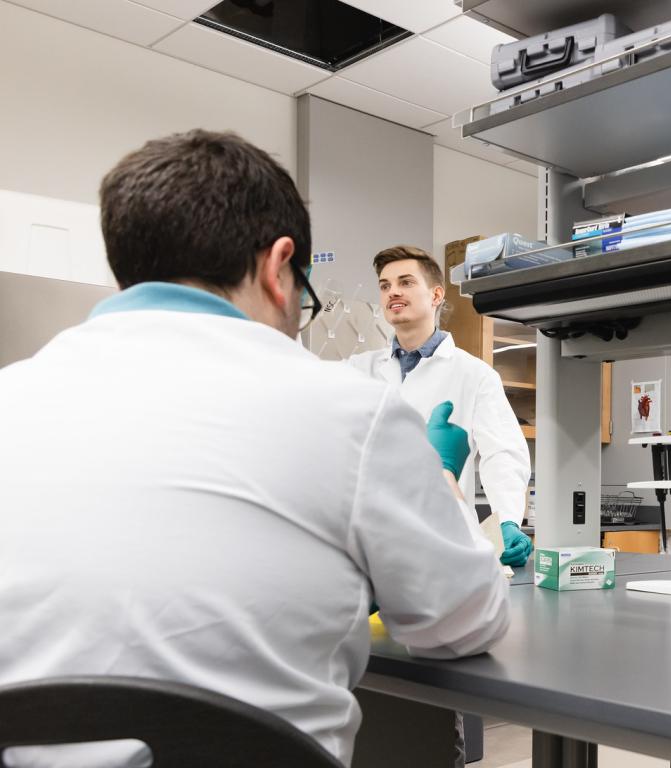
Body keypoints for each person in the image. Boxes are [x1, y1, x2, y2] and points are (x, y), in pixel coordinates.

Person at [0, 130, 509, 767]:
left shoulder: (10, 397)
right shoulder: (349, 408)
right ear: (278, 266)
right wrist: (438, 475)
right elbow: (465, 623)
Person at [346, 246, 532, 568]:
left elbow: (502, 453)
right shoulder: (358, 369)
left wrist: (507, 520)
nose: (393, 292)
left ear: (435, 296)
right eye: (385, 285)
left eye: (405, 282)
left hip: (444, 541)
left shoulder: (475, 375)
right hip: (371, 539)